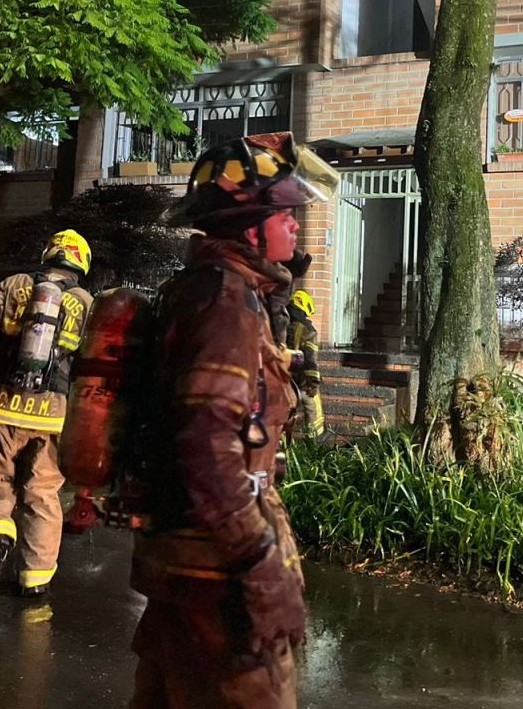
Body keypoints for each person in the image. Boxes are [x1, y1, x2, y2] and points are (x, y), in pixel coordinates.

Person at [127, 132, 338, 709]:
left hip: (182, 563)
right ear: (249, 229)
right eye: (285, 213)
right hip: (218, 579)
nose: (296, 224)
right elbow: (206, 446)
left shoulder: (208, 290)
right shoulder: (227, 303)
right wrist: (261, 569)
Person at [0, 230, 93, 597]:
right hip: (52, 412)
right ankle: (35, 579)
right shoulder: (85, 301)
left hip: (0, 404)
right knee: (43, 491)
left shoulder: (16, 284)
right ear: (81, 263)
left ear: (48, 254)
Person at [285, 289, 324, 440]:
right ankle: (313, 442)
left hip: (281, 379)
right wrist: (313, 383)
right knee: (314, 409)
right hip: (301, 383)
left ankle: (283, 445)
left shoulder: (279, 323)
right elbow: (310, 359)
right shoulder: (307, 330)